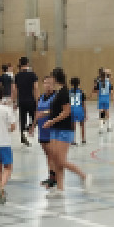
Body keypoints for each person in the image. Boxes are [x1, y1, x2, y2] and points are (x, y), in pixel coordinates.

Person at [43, 69, 91, 199]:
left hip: (64, 130)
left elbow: (66, 112)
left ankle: (84, 176)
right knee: (56, 160)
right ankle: (60, 188)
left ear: (55, 78)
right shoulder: (58, 92)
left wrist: (51, 121)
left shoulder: (64, 92)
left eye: (51, 78)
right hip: (55, 129)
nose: (49, 81)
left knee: (61, 160)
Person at [33, 75, 58, 189]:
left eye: (50, 83)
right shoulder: (41, 98)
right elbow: (37, 112)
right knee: (48, 155)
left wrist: (46, 113)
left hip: (52, 130)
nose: (48, 85)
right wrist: (32, 125)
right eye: (46, 83)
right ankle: (51, 176)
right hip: (42, 130)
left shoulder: (56, 97)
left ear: (53, 85)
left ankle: (55, 177)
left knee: (53, 155)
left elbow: (57, 111)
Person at [13, 57, 39, 147]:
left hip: (21, 101)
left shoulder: (17, 76)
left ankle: (22, 134)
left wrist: (15, 102)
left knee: (22, 119)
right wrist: (37, 99)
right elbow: (35, 88)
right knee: (35, 118)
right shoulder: (32, 75)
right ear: (27, 64)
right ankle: (30, 129)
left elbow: (14, 89)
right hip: (31, 100)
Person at [93, 69, 114, 134]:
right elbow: (112, 92)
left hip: (101, 99)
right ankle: (109, 127)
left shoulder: (99, 83)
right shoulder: (109, 83)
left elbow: (96, 92)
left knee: (101, 113)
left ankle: (101, 128)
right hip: (106, 99)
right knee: (107, 112)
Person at [69, 77, 87, 145]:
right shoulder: (81, 92)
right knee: (82, 125)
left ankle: (73, 140)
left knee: (73, 126)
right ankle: (83, 139)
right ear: (79, 83)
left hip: (72, 110)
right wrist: (85, 113)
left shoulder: (69, 92)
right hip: (80, 110)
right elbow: (84, 104)